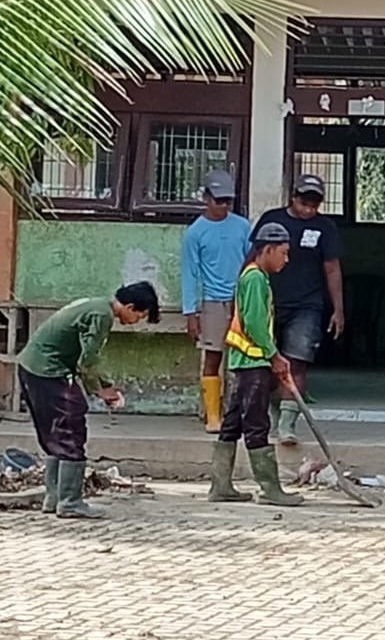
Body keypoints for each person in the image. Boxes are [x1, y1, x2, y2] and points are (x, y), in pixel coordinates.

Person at [16, 282, 161, 520]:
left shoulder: (95, 304)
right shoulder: (102, 316)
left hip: (32, 367)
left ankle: (53, 497)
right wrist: (99, 391)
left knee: (54, 434)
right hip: (50, 371)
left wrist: (104, 384)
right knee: (72, 430)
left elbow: (85, 360)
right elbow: (88, 360)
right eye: (140, 315)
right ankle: (70, 501)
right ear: (130, 306)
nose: (137, 321)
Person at [208, 222, 302, 507]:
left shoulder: (255, 277)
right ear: (268, 250)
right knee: (257, 423)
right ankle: (270, 489)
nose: (286, 259)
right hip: (253, 362)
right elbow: (255, 324)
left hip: (246, 361)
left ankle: (220, 485)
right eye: (283, 253)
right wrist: (274, 355)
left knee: (233, 423)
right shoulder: (255, 279)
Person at [251, 173, 344, 448]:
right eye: (305, 201)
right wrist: (242, 298)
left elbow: (332, 268)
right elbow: (252, 258)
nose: (309, 208)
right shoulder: (272, 219)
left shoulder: (325, 228)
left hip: (307, 305)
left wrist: (338, 308)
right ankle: (273, 414)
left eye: (315, 203)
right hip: (269, 302)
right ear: (293, 197)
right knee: (265, 363)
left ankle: (287, 425)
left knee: (297, 362)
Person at [181, 169, 251, 433]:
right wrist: (191, 313)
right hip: (212, 301)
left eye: (228, 201)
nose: (223, 206)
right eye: (218, 200)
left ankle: (237, 413)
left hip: (240, 300)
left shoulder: (243, 226)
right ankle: (213, 414)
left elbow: (250, 262)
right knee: (213, 356)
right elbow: (190, 273)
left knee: (242, 358)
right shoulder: (195, 233)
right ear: (206, 199)